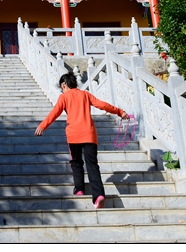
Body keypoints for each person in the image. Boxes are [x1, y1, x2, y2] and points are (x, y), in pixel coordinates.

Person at [34, 71, 129, 209]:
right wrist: (120, 112)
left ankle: (79, 189)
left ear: (64, 85)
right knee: (92, 165)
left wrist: (42, 126)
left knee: (76, 162)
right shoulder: (85, 94)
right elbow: (102, 105)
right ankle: (98, 196)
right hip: (89, 135)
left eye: (62, 87)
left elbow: (55, 113)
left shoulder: (64, 97)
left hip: (74, 136)